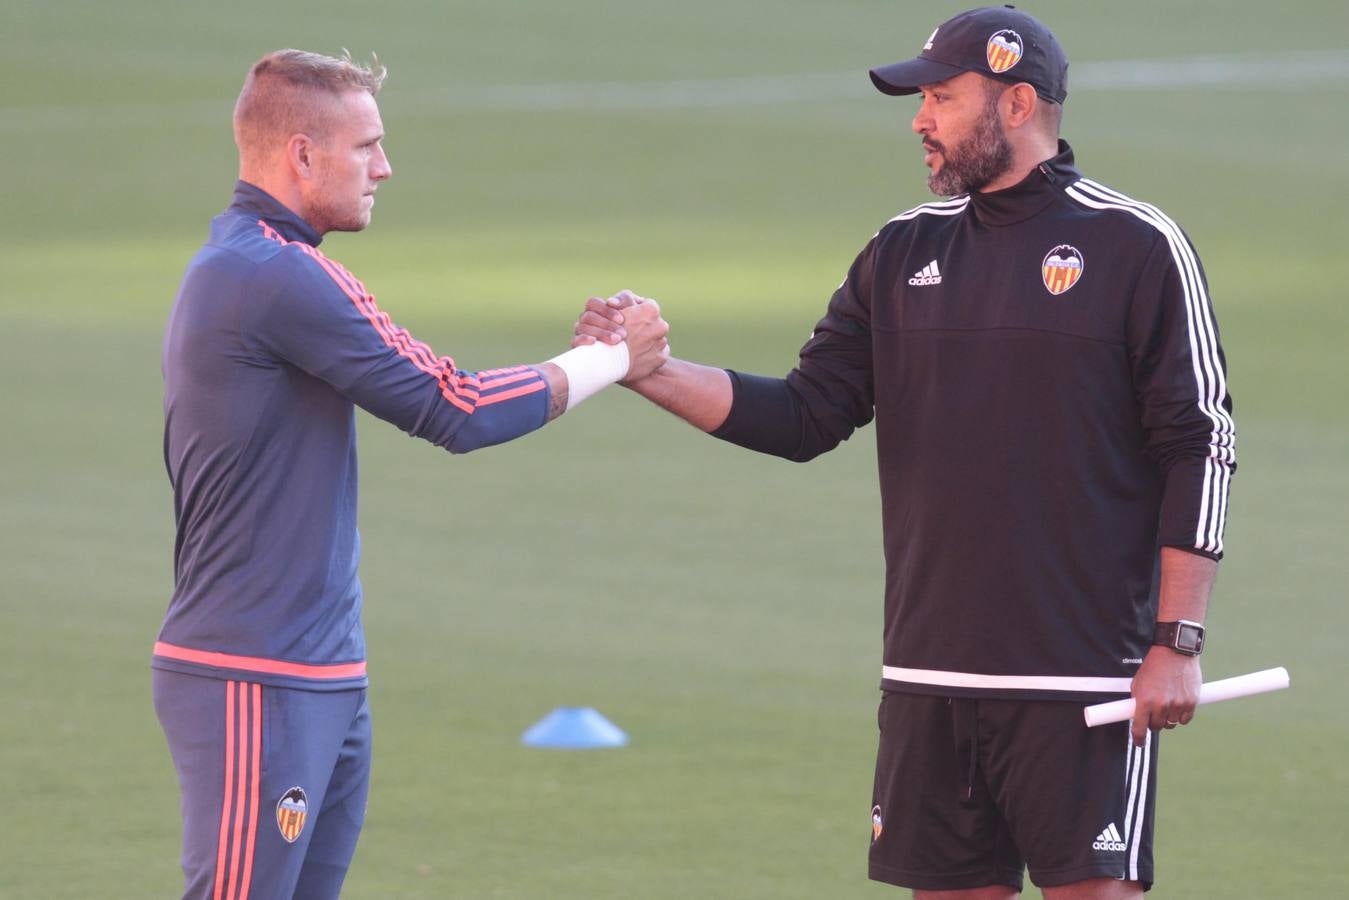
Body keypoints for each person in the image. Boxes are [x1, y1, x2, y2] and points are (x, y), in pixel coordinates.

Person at [575, 7, 1234, 898]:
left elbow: (1200, 441)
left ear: (1016, 104)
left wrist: (1176, 640)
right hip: (928, 672)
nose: (918, 120)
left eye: (939, 96)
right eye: (918, 98)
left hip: (1083, 676)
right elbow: (806, 415)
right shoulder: (900, 250)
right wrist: (648, 371)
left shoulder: (1136, 245)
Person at [153, 49, 668, 899]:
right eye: (366, 147)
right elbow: (456, 408)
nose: (385, 168)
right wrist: (610, 358)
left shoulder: (260, 264)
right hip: (254, 672)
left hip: (317, 673)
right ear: (301, 155)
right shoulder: (273, 276)